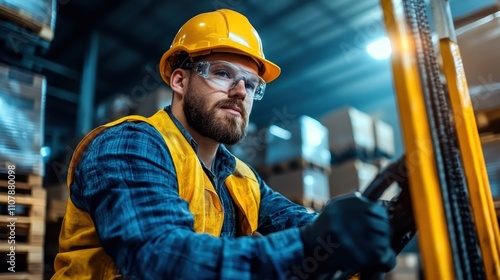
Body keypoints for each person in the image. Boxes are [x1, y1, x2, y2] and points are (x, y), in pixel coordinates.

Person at [52, 8, 396, 279]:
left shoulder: (240, 176)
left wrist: (371, 224)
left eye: (251, 84)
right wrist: (309, 247)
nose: (241, 92)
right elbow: (161, 257)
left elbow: (299, 220)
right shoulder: (130, 146)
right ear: (179, 80)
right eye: (222, 73)